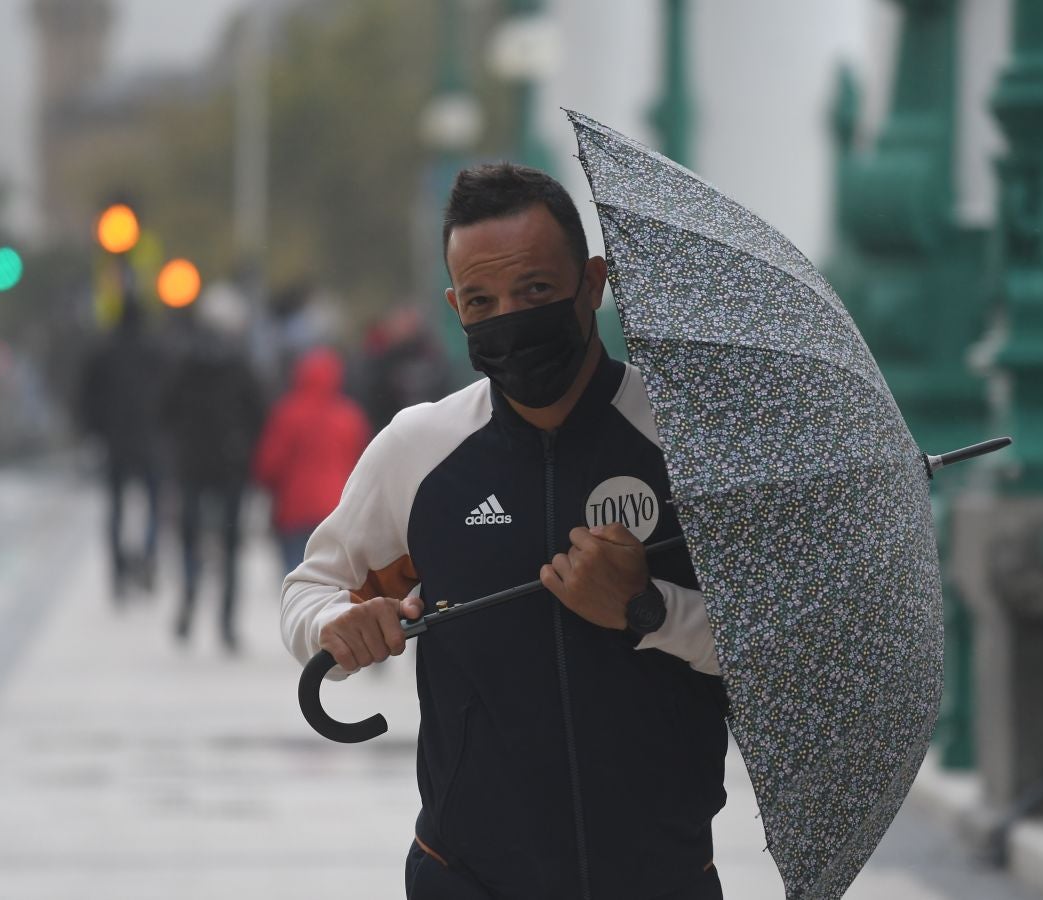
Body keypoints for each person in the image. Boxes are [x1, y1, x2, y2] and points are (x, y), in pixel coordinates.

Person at [282, 163, 727, 900]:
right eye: (482, 301)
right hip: (468, 878)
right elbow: (309, 590)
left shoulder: (686, 443)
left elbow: (770, 641)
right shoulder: (419, 450)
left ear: (592, 283)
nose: (509, 318)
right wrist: (340, 624)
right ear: (455, 304)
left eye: (535, 292)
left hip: (663, 876)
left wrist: (647, 609)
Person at [162, 287, 265, 652]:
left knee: (189, 538)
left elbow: (165, 411)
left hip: (192, 464)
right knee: (231, 546)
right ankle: (227, 623)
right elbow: (260, 414)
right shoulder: (241, 366)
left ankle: (189, 595)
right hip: (231, 465)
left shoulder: (185, 363)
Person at [78, 295, 166, 600]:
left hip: (115, 443)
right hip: (150, 442)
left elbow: (87, 400)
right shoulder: (156, 353)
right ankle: (148, 558)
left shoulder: (103, 353)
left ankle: (118, 572)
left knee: (115, 509)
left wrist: (95, 432)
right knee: (154, 506)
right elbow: (168, 397)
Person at [253, 347, 370, 574]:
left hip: (293, 512)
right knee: (334, 583)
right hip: (337, 509)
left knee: (297, 580)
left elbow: (268, 466)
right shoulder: (350, 416)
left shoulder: (287, 413)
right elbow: (364, 465)